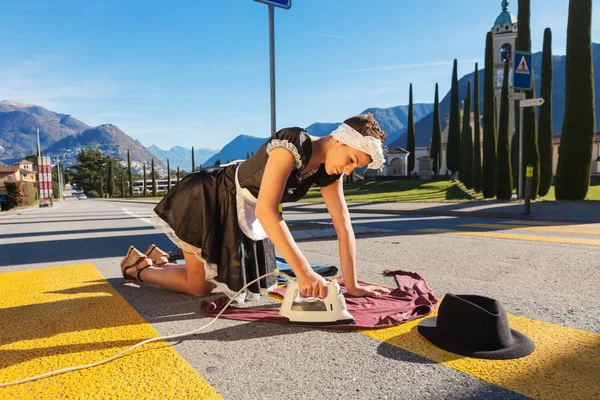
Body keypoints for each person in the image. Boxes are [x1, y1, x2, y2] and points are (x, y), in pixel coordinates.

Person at [120, 113, 391, 301]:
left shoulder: (330, 171)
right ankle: (139, 269)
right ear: (341, 140)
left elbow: (343, 227)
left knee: (228, 283)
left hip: (246, 209)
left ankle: (158, 259)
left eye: (356, 167)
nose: (348, 169)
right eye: (352, 160)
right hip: (211, 196)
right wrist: (304, 272)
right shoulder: (293, 143)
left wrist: (353, 285)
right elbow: (267, 210)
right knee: (199, 287)